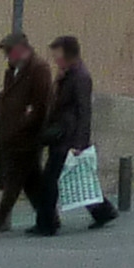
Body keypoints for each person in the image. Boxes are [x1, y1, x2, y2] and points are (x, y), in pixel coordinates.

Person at [0, 29, 55, 238]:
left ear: (21, 50)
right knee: (31, 182)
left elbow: (40, 107)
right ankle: (49, 218)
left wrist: (23, 124)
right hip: (12, 136)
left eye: (9, 51)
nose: (7, 56)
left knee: (13, 183)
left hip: (27, 138)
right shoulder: (12, 71)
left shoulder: (39, 69)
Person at [42, 35, 98, 234]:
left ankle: (47, 224)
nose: (55, 59)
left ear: (68, 54)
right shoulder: (67, 74)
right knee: (76, 177)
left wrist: (80, 143)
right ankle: (103, 211)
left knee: (50, 180)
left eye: (57, 55)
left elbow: (84, 112)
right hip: (62, 135)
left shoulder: (81, 77)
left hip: (68, 137)